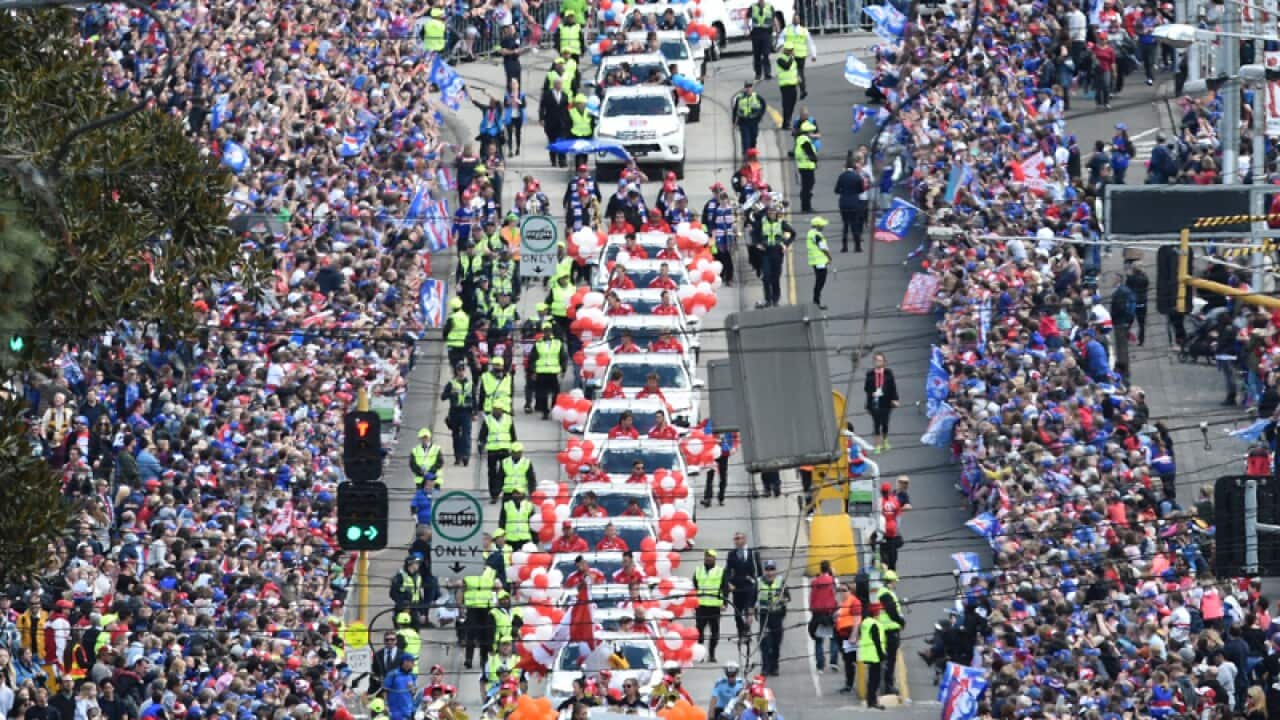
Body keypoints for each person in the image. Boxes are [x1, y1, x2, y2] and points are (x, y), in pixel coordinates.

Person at [725, 531, 762, 652]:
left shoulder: (753, 553)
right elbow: (728, 571)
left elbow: (759, 571)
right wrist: (728, 583)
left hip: (750, 586)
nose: (737, 541)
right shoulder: (731, 554)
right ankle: (741, 632)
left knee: (749, 610)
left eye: (739, 538)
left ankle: (747, 632)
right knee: (737, 613)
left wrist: (758, 583)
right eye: (735, 539)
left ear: (745, 539)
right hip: (737, 587)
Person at [751, 203, 793, 308]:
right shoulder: (762, 222)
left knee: (775, 277)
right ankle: (768, 299)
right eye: (770, 211)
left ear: (776, 213)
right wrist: (757, 244)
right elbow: (753, 234)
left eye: (773, 211)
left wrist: (785, 244)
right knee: (766, 276)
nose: (771, 213)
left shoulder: (781, 222)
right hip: (766, 252)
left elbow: (793, 233)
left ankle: (776, 299)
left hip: (777, 252)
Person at [478, 401, 516, 504]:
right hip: (492, 450)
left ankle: (500, 491)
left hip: (505, 449)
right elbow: (483, 434)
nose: (496, 411)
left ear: (502, 410)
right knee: (492, 473)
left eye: (498, 409)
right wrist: (481, 445)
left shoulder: (508, 419)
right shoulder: (488, 420)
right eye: (494, 409)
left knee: (503, 473)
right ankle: (494, 495)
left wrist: (514, 449)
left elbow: (513, 436)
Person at [462, 565, 499, 669]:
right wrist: (460, 606)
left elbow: (497, 587)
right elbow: (462, 588)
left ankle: (483, 659)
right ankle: (468, 659)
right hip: (472, 607)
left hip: (486, 607)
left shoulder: (491, 571)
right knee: (471, 634)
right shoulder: (467, 571)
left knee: (485, 635)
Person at [693, 549, 727, 663]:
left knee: (715, 633)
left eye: (711, 557)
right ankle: (701, 655)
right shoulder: (698, 570)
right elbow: (694, 587)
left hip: (714, 607)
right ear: (705, 557)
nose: (709, 558)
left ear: (715, 559)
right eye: (707, 556)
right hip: (701, 606)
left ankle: (712, 654)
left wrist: (725, 603)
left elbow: (725, 588)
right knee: (699, 632)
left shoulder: (720, 571)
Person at [757, 560, 789, 676]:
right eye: (767, 569)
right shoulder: (759, 582)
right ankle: (765, 667)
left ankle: (774, 666)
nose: (769, 572)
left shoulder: (781, 582)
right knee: (765, 643)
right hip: (764, 617)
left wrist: (781, 599)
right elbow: (752, 598)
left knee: (776, 643)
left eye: (772, 569)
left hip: (777, 617)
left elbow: (787, 597)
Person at [877, 570, 905, 696]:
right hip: (889, 631)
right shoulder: (885, 594)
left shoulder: (885, 593)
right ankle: (888, 686)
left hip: (887, 630)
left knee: (888, 659)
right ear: (890, 582)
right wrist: (901, 622)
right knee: (890, 660)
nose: (895, 584)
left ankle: (887, 684)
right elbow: (892, 612)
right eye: (894, 582)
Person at [863, 352, 898, 453]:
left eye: (880, 360)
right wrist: (871, 395)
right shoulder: (870, 375)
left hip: (886, 402)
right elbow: (866, 389)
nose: (878, 362)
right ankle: (877, 445)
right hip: (874, 403)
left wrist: (895, 399)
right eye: (876, 360)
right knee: (876, 424)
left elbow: (893, 388)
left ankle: (885, 440)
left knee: (885, 423)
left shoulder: (888, 374)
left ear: (884, 362)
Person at [809, 560, 838, 672]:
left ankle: (820, 664)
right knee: (833, 638)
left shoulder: (815, 582)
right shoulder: (832, 581)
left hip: (817, 613)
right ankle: (833, 662)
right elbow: (836, 594)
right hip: (830, 613)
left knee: (818, 640)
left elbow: (812, 598)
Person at [442, 363, 474, 466]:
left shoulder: (470, 384)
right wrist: (450, 393)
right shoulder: (451, 383)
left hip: (466, 412)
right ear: (456, 371)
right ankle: (457, 457)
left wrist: (475, 412)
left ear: (465, 371)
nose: (460, 372)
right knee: (456, 436)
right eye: (459, 370)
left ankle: (466, 456)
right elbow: (443, 397)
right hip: (455, 412)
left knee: (466, 435)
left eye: (462, 370)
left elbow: (474, 399)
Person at [833, 154, 866, 252]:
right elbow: (861, 190)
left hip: (843, 202)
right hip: (854, 202)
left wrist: (843, 192)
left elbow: (836, 190)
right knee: (854, 224)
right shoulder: (857, 177)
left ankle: (844, 246)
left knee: (845, 224)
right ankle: (857, 246)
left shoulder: (842, 176)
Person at [540, 76, 571, 168]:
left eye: (560, 84)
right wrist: (541, 118)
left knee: (561, 142)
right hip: (550, 122)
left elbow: (567, 109)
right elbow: (542, 107)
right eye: (557, 83)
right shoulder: (547, 94)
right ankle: (553, 159)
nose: (559, 85)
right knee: (552, 141)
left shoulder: (565, 95)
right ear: (554, 84)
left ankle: (562, 160)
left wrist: (568, 121)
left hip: (561, 123)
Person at [780, 13, 814, 98]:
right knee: (797, 73)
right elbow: (781, 38)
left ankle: (801, 90)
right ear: (792, 20)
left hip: (800, 56)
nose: (796, 20)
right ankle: (802, 90)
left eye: (797, 19)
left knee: (798, 73)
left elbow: (810, 43)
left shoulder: (804, 30)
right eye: (794, 19)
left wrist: (814, 54)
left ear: (799, 20)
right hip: (790, 55)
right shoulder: (786, 29)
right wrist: (779, 45)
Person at [860, 602, 886, 710]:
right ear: (876, 612)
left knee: (872, 678)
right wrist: (882, 655)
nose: (880, 612)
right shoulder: (874, 624)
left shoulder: (865, 622)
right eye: (879, 611)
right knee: (875, 680)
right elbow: (877, 642)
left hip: (867, 654)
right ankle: (873, 701)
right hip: (875, 655)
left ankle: (870, 700)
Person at [732, 81, 767, 155]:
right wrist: (734, 122)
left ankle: (752, 153)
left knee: (753, 138)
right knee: (745, 139)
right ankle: (745, 155)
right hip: (743, 121)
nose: (748, 89)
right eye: (747, 87)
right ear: (744, 88)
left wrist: (760, 116)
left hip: (754, 121)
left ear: (752, 88)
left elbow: (763, 105)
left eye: (750, 87)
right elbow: (735, 110)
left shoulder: (756, 97)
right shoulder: (739, 98)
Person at [805, 216, 832, 308]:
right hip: (819, 261)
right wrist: (829, 257)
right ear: (817, 226)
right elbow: (823, 248)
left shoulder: (811, 233)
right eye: (822, 225)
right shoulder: (817, 235)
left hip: (815, 261)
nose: (823, 227)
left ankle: (816, 301)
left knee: (819, 281)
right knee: (820, 281)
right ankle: (816, 302)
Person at [383, 654, 418, 720]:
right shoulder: (393, 674)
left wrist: (411, 688)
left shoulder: (412, 675)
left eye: (413, 662)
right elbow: (385, 691)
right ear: (404, 662)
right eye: (411, 662)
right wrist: (385, 705)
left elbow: (413, 693)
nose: (413, 664)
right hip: (395, 710)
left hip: (408, 710)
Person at [879, 481, 904, 571]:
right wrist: (897, 529)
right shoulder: (895, 501)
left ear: (881, 492)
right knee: (892, 554)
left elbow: (875, 517)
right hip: (892, 530)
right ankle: (892, 572)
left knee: (882, 552)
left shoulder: (879, 502)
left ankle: (885, 568)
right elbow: (898, 517)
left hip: (883, 532)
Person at [793, 121, 818, 213]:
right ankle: (806, 207)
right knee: (807, 187)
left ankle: (806, 206)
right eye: (811, 132)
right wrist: (815, 159)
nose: (812, 134)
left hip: (804, 166)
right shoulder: (805, 140)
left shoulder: (800, 139)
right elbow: (810, 153)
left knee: (806, 187)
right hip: (807, 167)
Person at [749, 0, 775, 81]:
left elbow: (773, 18)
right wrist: (747, 28)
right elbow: (746, 17)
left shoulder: (770, 7)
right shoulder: (753, 7)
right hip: (756, 33)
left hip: (766, 33)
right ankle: (758, 74)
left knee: (766, 54)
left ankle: (767, 73)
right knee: (757, 55)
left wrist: (776, 28)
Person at [776, 46, 800, 130]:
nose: (791, 52)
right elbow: (787, 66)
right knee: (787, 105)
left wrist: (797, 77)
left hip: (793, 84)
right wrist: (792, 57)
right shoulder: (780, 59)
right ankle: (786, 123)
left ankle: (788, 120)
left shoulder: (792, 59)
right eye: (790, 50)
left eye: (792, 50)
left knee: (792, 103)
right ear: (785, 50)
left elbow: (794, 70)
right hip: (785, 85)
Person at [567, 94, 594, 168]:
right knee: (578, 154)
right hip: (575, 135)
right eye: (580, 104)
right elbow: (568, 124)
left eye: (583, 104)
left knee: (585, 153)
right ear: (576, 104)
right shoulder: (571, 112)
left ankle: (584, 168)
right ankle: (578, 169)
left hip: (586, 135)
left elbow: (592, 123)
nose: (582, 105)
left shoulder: (589, 112)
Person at [1127, 261, 1151, 346]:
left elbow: (1127, 288)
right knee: (1142, 323)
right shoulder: (1145, 278)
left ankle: (1126, 337)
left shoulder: (1130, 278)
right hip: (1142, 301)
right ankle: (1141, 340)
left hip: (1133, 301)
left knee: (1129, 320)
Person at [444, 297, 471, 370]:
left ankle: (456, 377)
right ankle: (461, 373)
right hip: (463, 344)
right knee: (461, 362)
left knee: (453, 364)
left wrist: (445, 338)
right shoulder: (466, 316)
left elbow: (446, 330)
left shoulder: (452, 317)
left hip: (453, 344)